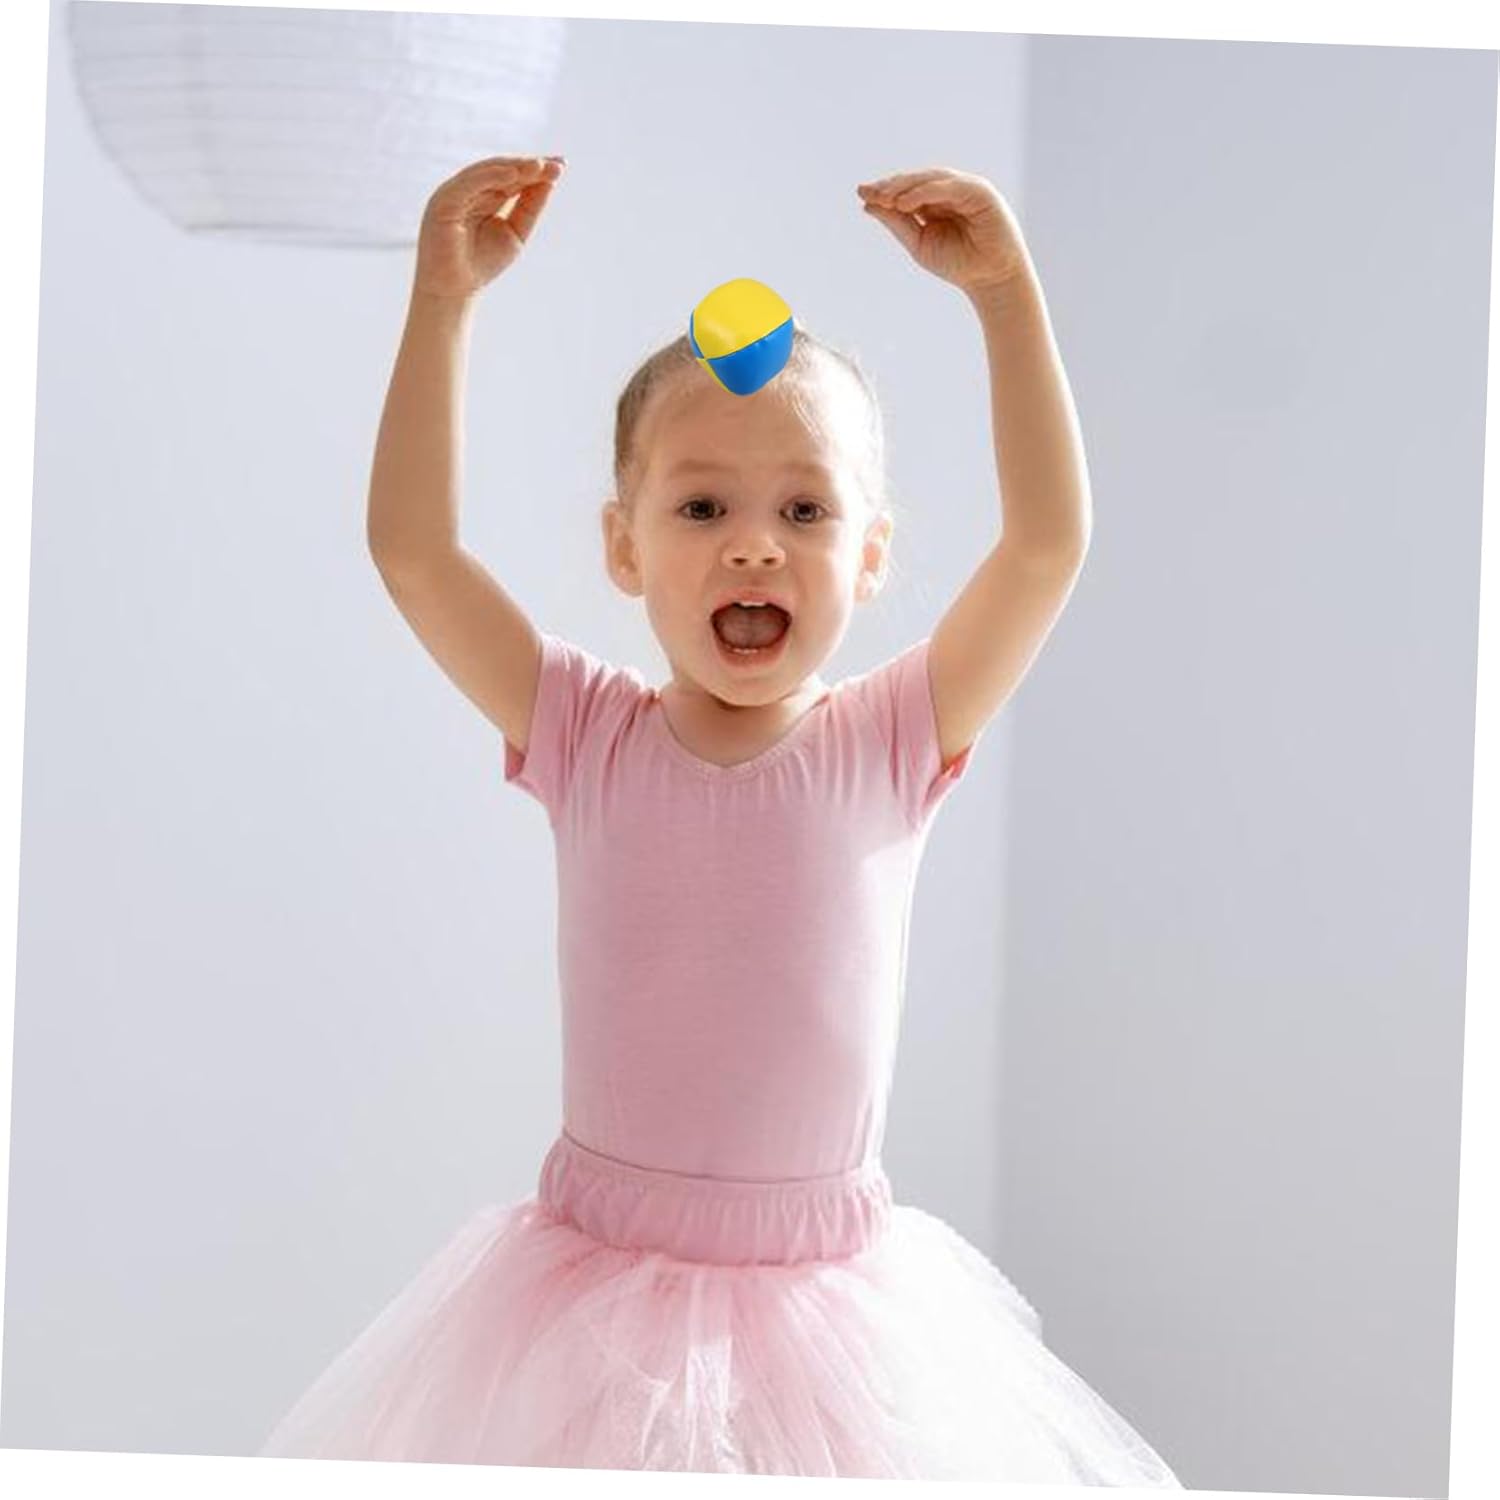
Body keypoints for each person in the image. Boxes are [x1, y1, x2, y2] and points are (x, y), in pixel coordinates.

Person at [256, 154, 1181, 1484]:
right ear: (624, 546)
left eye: (805, 509)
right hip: (591, 1310)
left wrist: (1004, 297)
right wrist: (444, 300)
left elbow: (1046, 547)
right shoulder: (584, 731)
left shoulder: (891, 738)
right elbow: (414, 552)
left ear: (869, 553)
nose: (755, 544)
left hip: (830, 1321)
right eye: (702, 507)